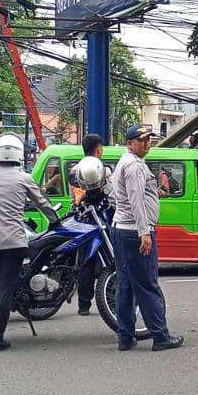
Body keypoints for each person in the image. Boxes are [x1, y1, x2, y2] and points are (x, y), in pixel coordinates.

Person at [0, 133, 57, 354]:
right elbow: (42, 202)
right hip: (13, 243)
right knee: (5, 289)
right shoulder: (23, 178)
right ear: (18, 155)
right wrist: (54, 219)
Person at [110, 125, 183, 351]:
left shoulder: (125, 162)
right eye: (141, 140)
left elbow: (123, 195)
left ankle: (125, 336)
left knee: (126, 285)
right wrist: (144, 232)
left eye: (148, 139)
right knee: (147, 285)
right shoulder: (134, 166)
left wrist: (152, 193)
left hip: (122, 229)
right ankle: (160, 336)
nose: (146, 143)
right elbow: (135, 200)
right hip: (135, 231)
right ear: (130, 143)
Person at [70, 133, 109, 315]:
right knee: (107, 259)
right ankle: (111, 299)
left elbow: (75, 197)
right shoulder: (100, 168)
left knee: (85, 261)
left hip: (81, 217)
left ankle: (83, 305)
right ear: (98, 150)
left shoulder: (74, 169)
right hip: (98, 218)